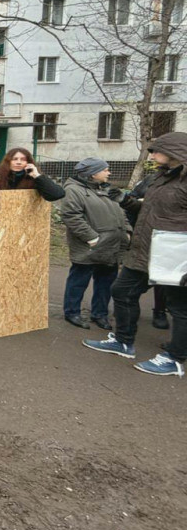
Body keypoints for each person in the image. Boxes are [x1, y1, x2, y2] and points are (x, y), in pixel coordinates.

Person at [84, 132, 187, 377]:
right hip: (145, 250)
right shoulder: (162, 177)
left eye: (156, 150)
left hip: (175, 255)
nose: (151, 155)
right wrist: (125, 201)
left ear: (175, 151)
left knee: (180, 307)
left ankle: (174, 358)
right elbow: (152, 210)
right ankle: (123, 342)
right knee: (122, 291)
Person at [0, 147, 65, 321]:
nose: (18, 162)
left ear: (29, 162)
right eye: (15, 159)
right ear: (8, 162)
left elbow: (57, 194)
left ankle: (0, 307)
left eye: (23, 159)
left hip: (22, 239)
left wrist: (37, 175)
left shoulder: (35, 184)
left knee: (11, 276)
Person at [60, 158, 130, 329]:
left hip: (112, 245)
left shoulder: (108, 189)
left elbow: (122, 212)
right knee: (79, 281)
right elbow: (71, 216)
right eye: (105, 170)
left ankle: (100, 314)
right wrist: (92, 238)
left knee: (106, 283)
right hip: (89, 247)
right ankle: (72, 312)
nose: (109, 173)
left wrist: (127, 231)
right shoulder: (73, 190)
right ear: (92, 173)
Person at [123, 169, 169, 330]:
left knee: (163, 280)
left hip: (168, 240)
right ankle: (127, 307)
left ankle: (160, 311)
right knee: (133, 277)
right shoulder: (151, 179)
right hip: (143, 236)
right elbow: (133, 202)